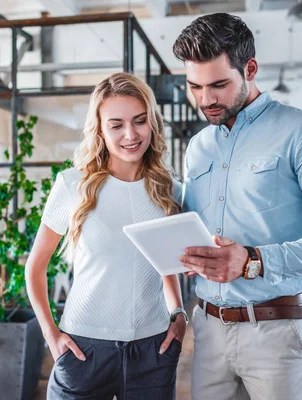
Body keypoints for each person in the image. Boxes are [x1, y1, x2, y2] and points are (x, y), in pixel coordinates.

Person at [172, 13, 302, 400]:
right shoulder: (198, 147)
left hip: (280, 334)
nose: (206, 99)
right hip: (208, 332)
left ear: (251, 69)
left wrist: (252, 260)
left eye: (219, 85)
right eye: (195, 87)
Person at [25, 72, 187, 399]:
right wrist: (51, 335)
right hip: (83, 350)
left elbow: (165, 263)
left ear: (153, 123)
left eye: (140, 121)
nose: (130, 134)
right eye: (116, 125)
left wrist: (179, 314)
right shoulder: (73, 185)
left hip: (153, 350)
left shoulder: (170, 189)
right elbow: (35, 268)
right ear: (99, 129)